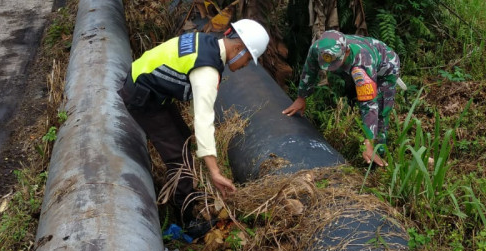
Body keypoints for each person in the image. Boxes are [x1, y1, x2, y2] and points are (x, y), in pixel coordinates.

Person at [118, 19, 269, 238]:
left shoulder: (207, 42)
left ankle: (186, 192)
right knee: (180, 160)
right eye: (248, 59)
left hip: (148, 85)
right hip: (143, 97)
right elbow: (203, 120)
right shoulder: (207, 70)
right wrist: (214, 171)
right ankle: (186, 221)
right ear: (238, 48)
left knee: (184, 138)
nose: (246, 65)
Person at [282, 30, 401, 167]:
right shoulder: (318, 48)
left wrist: (368, 142)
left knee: (380, 109)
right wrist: (301, 97)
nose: (330, 69)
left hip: (386, 67)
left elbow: (369, 105)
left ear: (347, 52)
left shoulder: (362, 63)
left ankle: (377, 154)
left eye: (335, 64)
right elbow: (310, 70)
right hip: (359, 59)